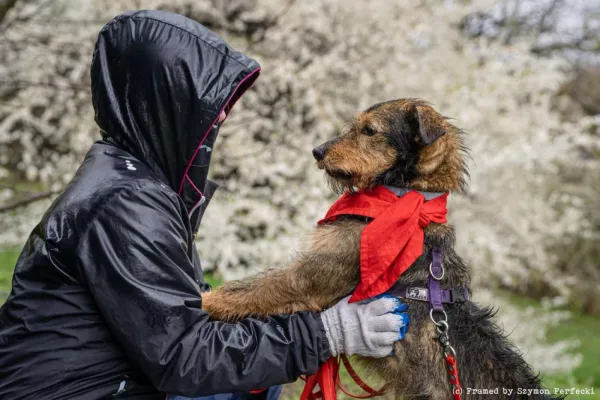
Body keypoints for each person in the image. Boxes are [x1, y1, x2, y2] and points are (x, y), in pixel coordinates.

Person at [0, 10, 409, 400]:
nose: (222, 118)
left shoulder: (134, 184)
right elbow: (184, 353)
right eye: (210, 104)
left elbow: (177, 311)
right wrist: (325, 334)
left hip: (99, 382)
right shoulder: (125, 201)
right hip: (75, 391)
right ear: (167, 103)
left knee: (256, 381)